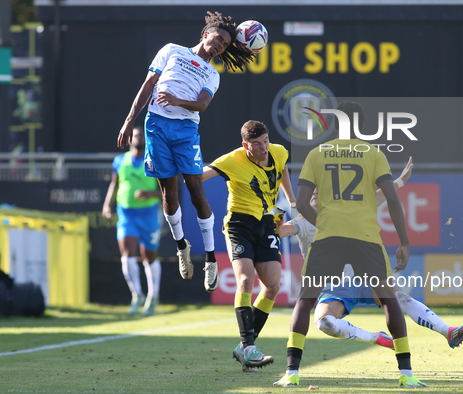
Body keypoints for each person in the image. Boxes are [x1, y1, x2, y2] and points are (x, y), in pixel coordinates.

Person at [274, 101, 425, 389]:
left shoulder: (317, 154)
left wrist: (326, 223)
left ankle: (291, 373)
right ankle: (406, 373)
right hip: (365, 237)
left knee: (305, 300)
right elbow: (391, 199)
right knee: (389, 300)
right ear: (362, 127)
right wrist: (404, 242)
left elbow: (303, 203)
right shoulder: (373, 154)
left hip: (329, 237)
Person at [116, 11, 256, 292]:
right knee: (169, 194)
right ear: (206, 33)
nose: (219, 46)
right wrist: (130, 119)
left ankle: (209, 258)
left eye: (224, 45)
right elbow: (148, 85)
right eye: (217, 39)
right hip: (155, 125)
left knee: (196, 190)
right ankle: (182, 246)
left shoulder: (212, 74)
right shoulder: (171, 51)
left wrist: (178, 100)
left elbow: (202, 105)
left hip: (185, 131)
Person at [277, 157, 463, 351]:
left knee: (399, 298)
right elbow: (285, 230)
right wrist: (276, 224)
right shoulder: (303, 221)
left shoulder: (347, 212)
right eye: (315, 190)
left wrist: (400, 181)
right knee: (324, 323)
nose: (317, 194)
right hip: (333, 289)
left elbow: (377, 198)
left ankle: (448, 331)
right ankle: (375, 338)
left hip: (362, 276)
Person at [200, 120, 296, 372]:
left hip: (266, 222)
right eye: (256, 143)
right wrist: (179, 166)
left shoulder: (278, 151)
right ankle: (249, 346)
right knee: (245, 280)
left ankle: (244, 349)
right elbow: (198, 176)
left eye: (265, 140)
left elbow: (283, 169)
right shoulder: (232, 160)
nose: (263, 147)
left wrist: (292, 200)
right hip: (239, 225)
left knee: (273, 285)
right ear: (246, 145)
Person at [103, 125, 162, 317]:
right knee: (127, 256)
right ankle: (137, 295)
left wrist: (150, 193)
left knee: (149, 257)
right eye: (135, 135)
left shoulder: (153, 160)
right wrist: (106, 205)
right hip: (126, 214)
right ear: (129, 139)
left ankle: (153, 297)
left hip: (149, 214)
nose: (138, 138)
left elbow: (167, 191)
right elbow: (114, 183)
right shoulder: (120, 161)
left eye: (141, 135)